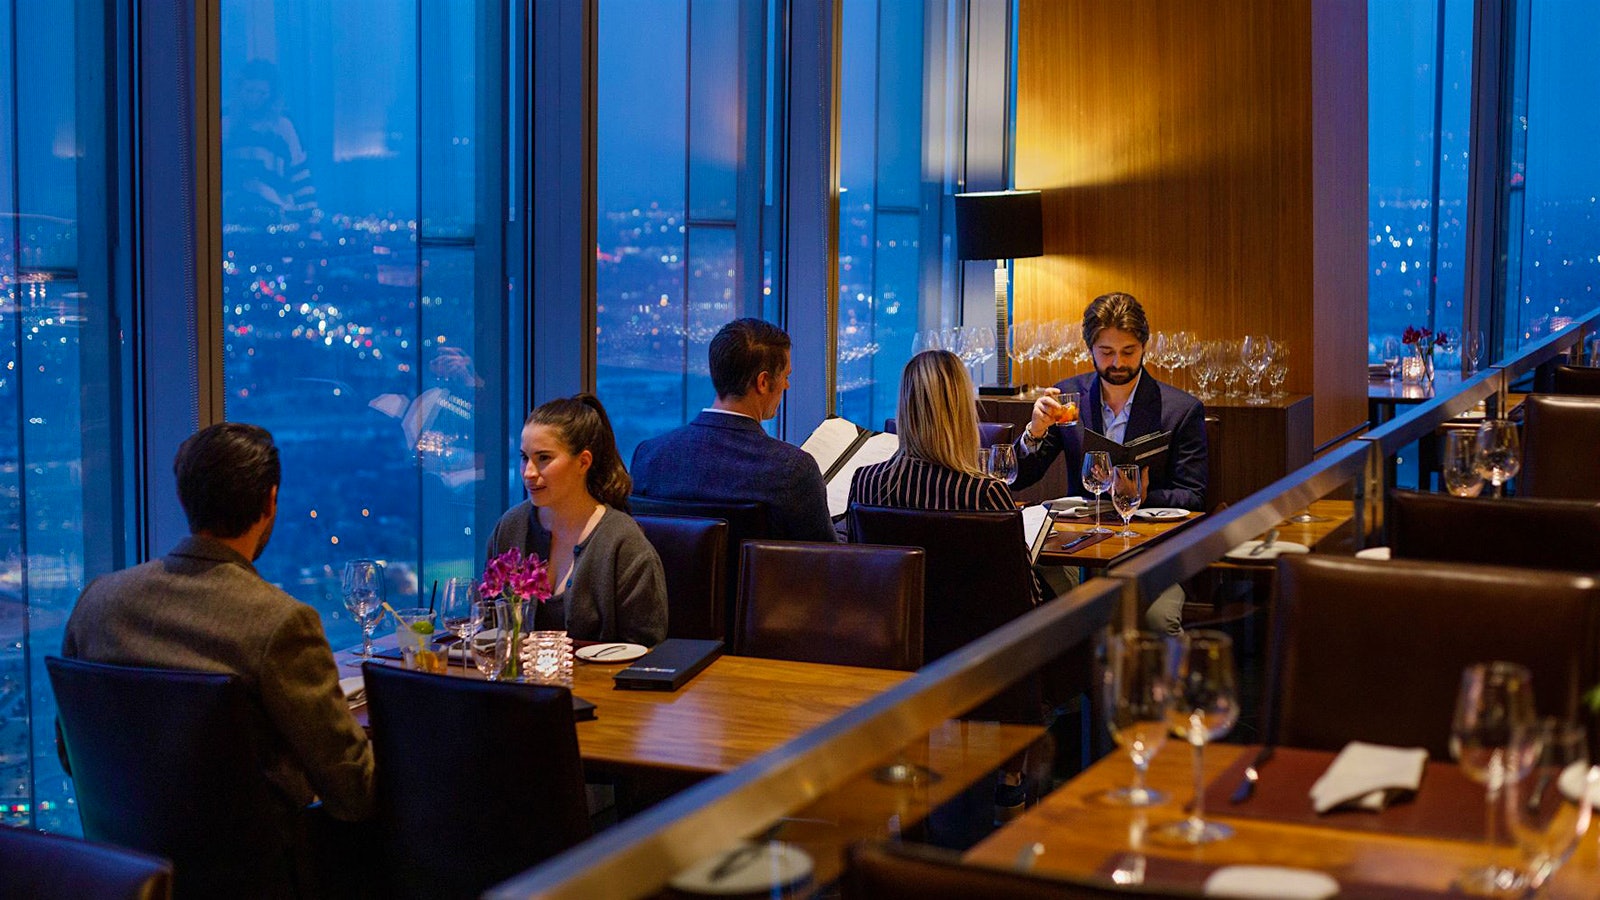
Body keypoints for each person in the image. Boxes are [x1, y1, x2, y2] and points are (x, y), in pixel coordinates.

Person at [62, 423, 374, 886]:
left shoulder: (97, 603)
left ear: (185, 497)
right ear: (270, 502)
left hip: (126, 875)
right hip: (254, 881)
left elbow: (70, 756)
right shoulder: (281, 622)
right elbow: (354, 793)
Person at [1012, 292, 1208, 633]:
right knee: (1035, 608)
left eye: (1128, 351)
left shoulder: (1180, 410)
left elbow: (1194, 496)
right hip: (1077, 547)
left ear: (1144, 346)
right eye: (1106, 352)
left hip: (1150, 552)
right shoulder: (1068, 401)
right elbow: (1019, 478)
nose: (1117, 362)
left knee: (1156, 620)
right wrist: (1035, 431)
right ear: (1090, 349)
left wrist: (1144, 495)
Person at [631, 317, 836, 542]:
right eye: (785, 376)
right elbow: (825, 564)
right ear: (764, 382)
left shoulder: (648, 457)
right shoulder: (792, 470)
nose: (786, 386)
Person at [486, 394, 667, 646]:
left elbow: (647, 650)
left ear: (583, 462)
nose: (528, 473)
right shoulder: (510, 527)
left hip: (598, 684)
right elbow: (487, 622)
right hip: (519, 684)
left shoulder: (624, 544)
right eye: (524, 457)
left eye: (544, 458)